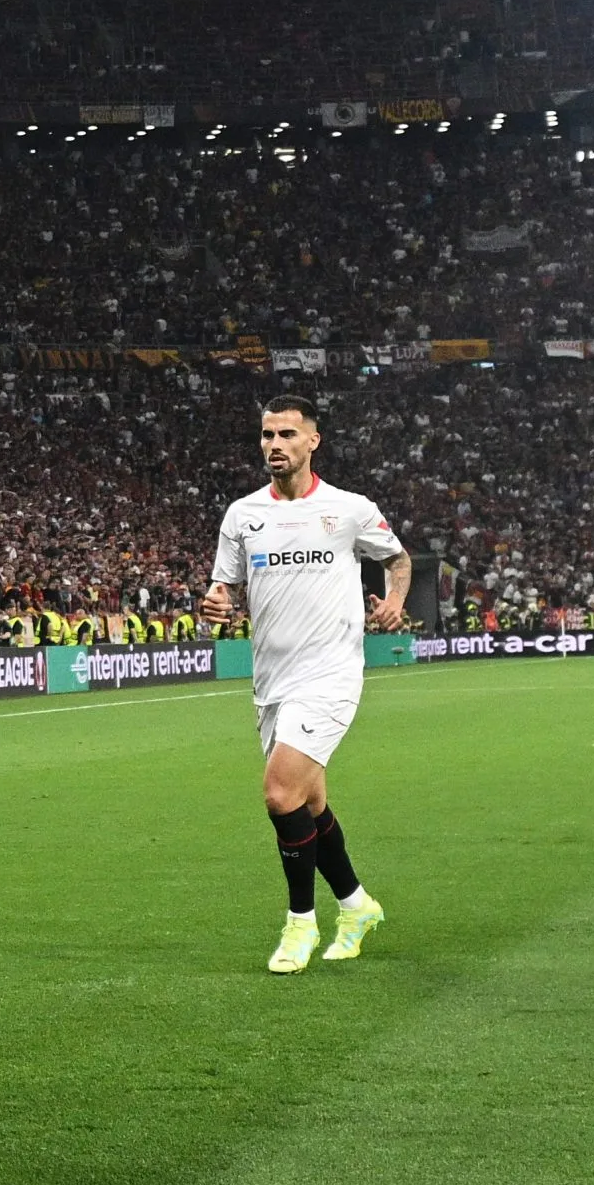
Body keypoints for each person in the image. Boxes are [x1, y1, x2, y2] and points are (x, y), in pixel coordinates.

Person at [200, 394, 411, 974]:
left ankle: (300, 924)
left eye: (287, 435)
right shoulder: (243, 514)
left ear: (312, 441)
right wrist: (216, 605)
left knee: (279, 793)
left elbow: (398, 559)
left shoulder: (348, 509)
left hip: (331, 674)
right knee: (309, 802)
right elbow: (225, 590)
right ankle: (356, 904)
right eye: (267, 435)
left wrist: (394, 601)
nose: (274, 445)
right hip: (272, 680)